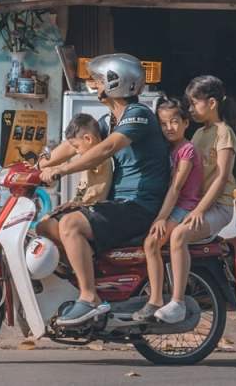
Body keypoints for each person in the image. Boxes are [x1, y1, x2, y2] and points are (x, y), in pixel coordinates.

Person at [39, 53, 170, 326]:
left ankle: (89, 298)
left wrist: (61, 171)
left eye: (98, 80)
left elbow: (105, 149)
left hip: (139, 205)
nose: (94, 85)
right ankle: (87, 280)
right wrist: (40, 164)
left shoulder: (138, 116)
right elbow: (73, 143)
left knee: (71, 225)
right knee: (46, 226)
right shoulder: (111, 119)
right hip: (120, 203)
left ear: (116, 83)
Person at [154, 75, 236, 324]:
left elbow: (222, 178)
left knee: (179, 235)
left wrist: (199, 211)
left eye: (194, 104)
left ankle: (178, 302)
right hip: (196, 205)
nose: (190, 110)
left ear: (212, 103)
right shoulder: (198, 135)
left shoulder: (225, 134)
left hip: (219, 207)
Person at [131, 97, 204, 322]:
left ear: (185, 123)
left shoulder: (187, 150)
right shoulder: (170, 149)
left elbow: (176, 187)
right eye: (163, 124)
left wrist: (162, 218)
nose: (168, 128)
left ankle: (158, 300)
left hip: (185, 207)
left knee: (151, 242)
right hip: (173, 205)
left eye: (174, 122)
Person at [36, 113, 113, 246]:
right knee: (44, 222)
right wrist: (43, 168)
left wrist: (56, 170)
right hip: (81, 207)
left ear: (88, 139)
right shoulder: (87, 157)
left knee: (45, 226)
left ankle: (83, 254)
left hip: (92, 210)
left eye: (76, 146)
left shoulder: (100, 159)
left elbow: (76, 164)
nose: (76, 151)